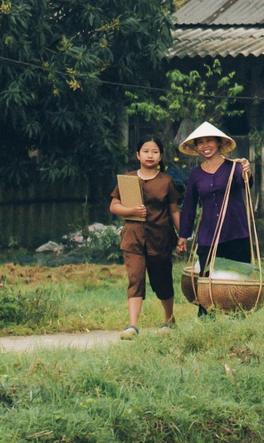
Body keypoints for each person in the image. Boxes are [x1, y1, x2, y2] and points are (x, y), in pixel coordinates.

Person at [174, 121, 253, 315]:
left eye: (209, 141)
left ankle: (239, 322)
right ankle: (206, 322)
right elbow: (190, 206)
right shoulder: (196, 175)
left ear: (218, 143)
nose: (205, 146)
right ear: (196, 147)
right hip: (208, 236)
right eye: (200, 142)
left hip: (236, 232)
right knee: (206, 281)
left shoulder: (233, 167)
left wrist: (247, 173)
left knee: (238, 280)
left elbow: (244, 184)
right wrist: (183, 235)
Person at [108, 134, 181, 336]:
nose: (150, 155)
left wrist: (183, 236)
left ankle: (169, 320)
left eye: (155, 152)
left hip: (160, 238)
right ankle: (132, 325)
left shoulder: (166, 181)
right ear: (138, 154)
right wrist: (131, 211)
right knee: (135, 279)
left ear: (161, 156)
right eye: (146, 151)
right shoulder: (127, 179)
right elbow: (114, 206)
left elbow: (174, 210)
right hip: (133, 238)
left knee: (162, 280)